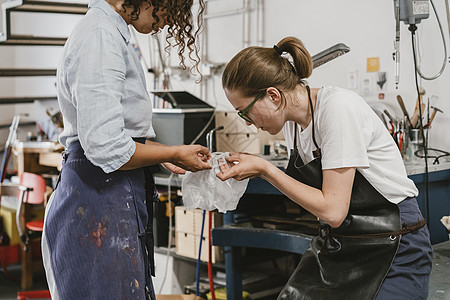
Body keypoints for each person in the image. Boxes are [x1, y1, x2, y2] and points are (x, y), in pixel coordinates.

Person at [217, 36, 432, 299]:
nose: (248, 123)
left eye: (245, 112)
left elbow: (332, 210)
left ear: (273, 95)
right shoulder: (292, 125)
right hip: (343, 243)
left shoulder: (337, 107)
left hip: (395, 240)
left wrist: (265, 170)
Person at [42, 0, 210, 299]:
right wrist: (172, 154)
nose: (169, 21)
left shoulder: (111, 33)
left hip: (109, 195)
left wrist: (168, 152)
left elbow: (116, 134)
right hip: (96, 200)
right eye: (168, 7)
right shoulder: (100, 36)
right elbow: (106, 147)